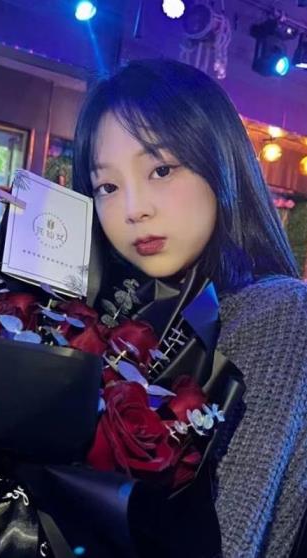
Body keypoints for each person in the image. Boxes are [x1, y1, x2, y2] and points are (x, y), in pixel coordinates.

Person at [72, 58, 307, 558]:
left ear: (219, 164)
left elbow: (232, 538)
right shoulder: (132, 314)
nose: (133, 208)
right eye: (107, 186)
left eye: (161, 170)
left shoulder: (275, 311)